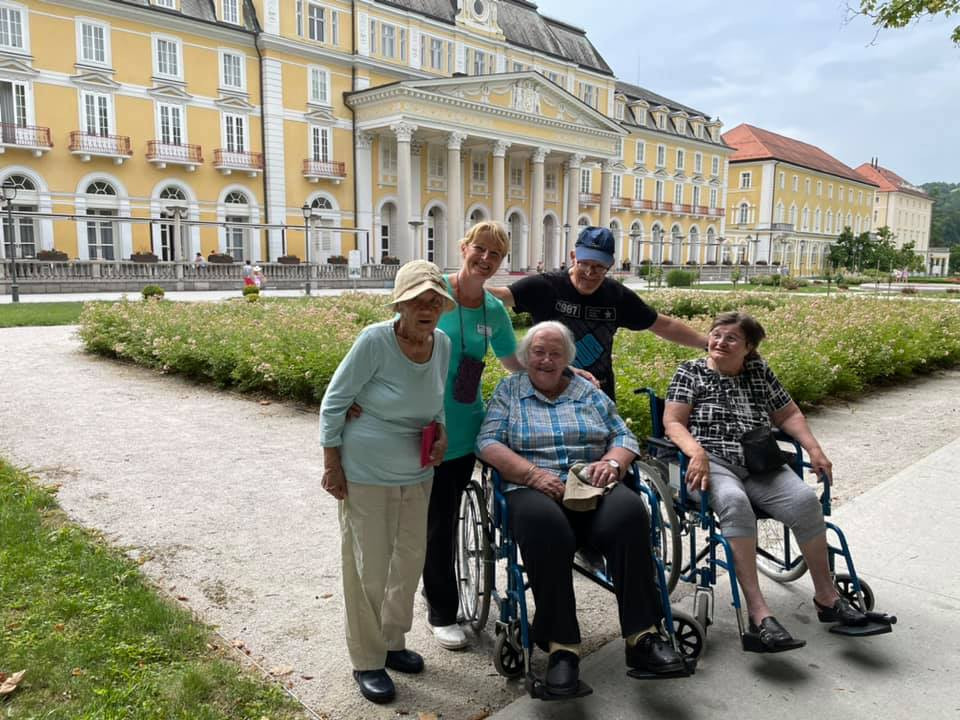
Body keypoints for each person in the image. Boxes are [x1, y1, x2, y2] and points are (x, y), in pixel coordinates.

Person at [476, 321, 684, 697]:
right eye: (538, 352)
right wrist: (532, 474)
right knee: (547, 528)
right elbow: (488, 441)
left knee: (630, 514)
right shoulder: (510, 391)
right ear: (525, 357)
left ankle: (643, 638)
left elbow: (623, 436)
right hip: (532, 486)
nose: (546, 359)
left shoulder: (588, 392)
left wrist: (615, 464)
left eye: (556, 353)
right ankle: (562, 651)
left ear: (568, 360)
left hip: (592, 483)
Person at [662, 311, 868, 652]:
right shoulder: (691, 371)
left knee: (804, 500)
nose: (719, 342)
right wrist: (695, 452)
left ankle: (828, 597)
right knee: (734, 502)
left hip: (759, 459)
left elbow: (788, 414)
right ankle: (760, 614)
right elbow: (673, 422)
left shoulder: (758, 371)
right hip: (711, 459)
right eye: (716, 334)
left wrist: (815, 450)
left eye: (731, 338)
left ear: (749, 347)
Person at [319, 260, 454, 704]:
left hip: (417, 470)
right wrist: (332, 463)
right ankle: (367, 658)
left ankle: (393, 642)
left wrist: (442, 434)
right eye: (418, 300)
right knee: (368, 567)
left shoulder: (444, 344)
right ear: (400, 303)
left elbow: (436, 402)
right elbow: (335, 401)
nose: (428, 308)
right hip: (367, 471)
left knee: (409, 560)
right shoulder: (376, 340)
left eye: (435, 301)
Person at [422, 221, 523, 650]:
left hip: (465, 428)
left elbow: (512, 362)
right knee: (433, 524)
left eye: (495, 255)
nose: (485, 259)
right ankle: (441, 610)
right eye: (479, 249)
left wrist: (562, 373)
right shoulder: (432, 292)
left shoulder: (493, 310)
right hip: (422, 425)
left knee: (446, 517)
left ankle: (439, 596)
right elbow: (396, 342)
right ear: (463, 247)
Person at [487, 226, 706, 402]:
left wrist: (707, 343)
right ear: (573, 257)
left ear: (610, 265)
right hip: (547, 393)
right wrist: (455, 285)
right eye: (585, 264)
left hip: (597, 395)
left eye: (599, 267)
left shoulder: (617, 296)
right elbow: (498, 296)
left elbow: (662, 325)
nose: (590, 273)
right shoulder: (546, 286)